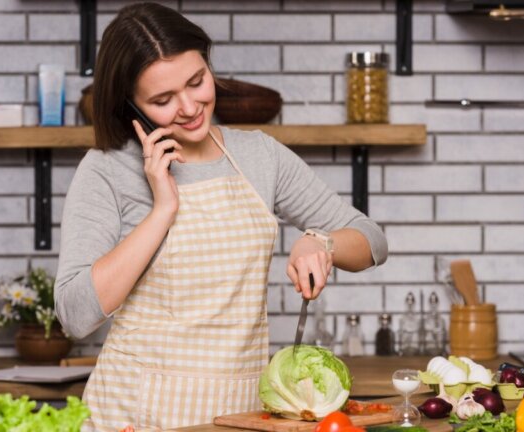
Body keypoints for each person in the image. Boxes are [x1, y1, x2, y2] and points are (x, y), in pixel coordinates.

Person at [53, 3, 387, 431]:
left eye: (197, 82)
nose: (190, 107)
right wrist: (162, 210)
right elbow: (76, 315)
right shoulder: (107, 169)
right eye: (162, 99)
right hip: (135, 414)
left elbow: (372, 240)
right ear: (130, 105)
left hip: (239, 412)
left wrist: (322, 241)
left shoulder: (258, 155)